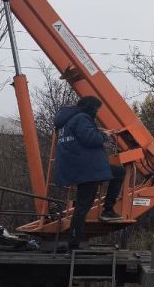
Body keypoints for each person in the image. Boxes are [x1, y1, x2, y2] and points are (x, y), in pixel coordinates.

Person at [54, 96, 126, 250]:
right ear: (91, 108)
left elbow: (83, 135)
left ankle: (75, 240)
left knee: (83, 205)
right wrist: (104, 135)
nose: (98, 112)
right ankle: (106, 211)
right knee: (83, 206)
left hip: (78, 167)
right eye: (97, 109)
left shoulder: (67, 121)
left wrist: (99, 131)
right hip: (88, 169)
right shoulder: (82, 118)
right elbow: (91, 139)